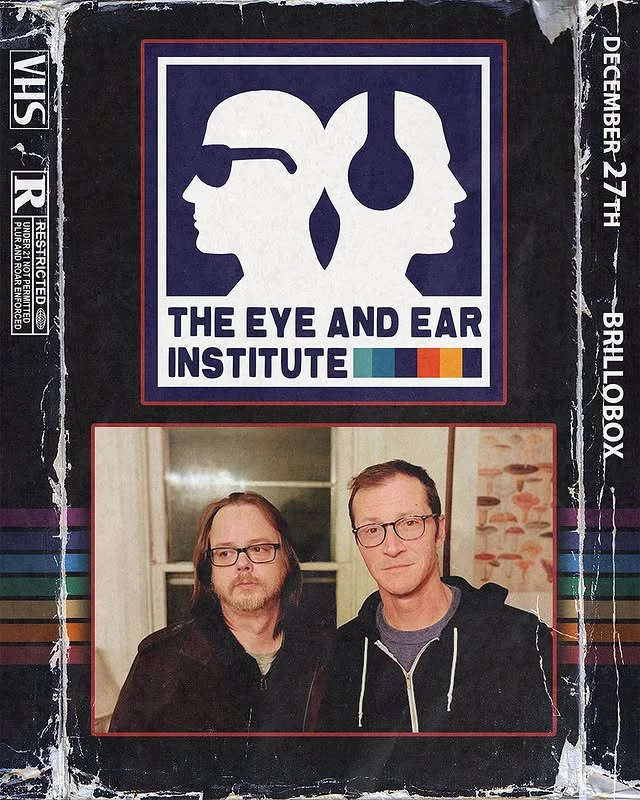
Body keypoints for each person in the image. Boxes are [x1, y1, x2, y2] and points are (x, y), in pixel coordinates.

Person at [318, 460, 553, 733]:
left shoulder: (523, 639)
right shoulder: (341, 652)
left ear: (439, 531)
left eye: (409, 523)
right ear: (359, 543)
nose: (391, 547)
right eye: (372, 530)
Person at [109, 492, 330, 732]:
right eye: (225, 553)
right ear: (209, 572)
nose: (243, 564)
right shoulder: (160, 663)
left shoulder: (328, 655)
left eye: (259, 549)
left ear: (287, 559)